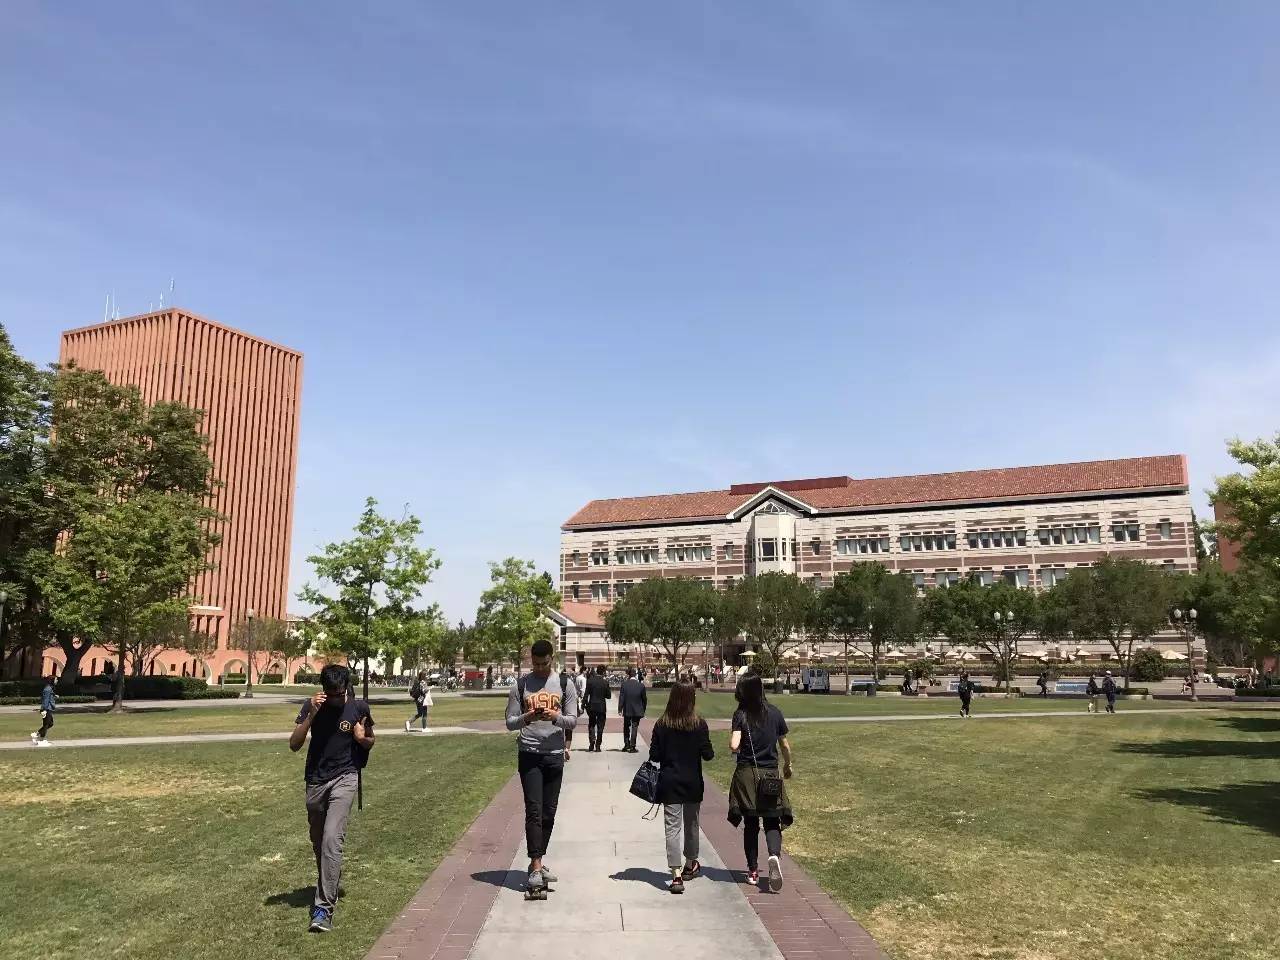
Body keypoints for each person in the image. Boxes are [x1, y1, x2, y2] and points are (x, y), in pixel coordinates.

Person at [290, 664, 375, 934]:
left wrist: (361, 739)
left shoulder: (358, 708)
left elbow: (370, 741)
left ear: (346, 688)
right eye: (330, 694)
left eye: (339, 694)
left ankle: (323, 909)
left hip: (345, 777)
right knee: (319, 840)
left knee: (331, 839)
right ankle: (330, 876)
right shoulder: (312, 705)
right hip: (316, 780)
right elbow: (294, 744)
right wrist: (311, 715)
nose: (335, 700)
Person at [505, 638, 579, 898]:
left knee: (549, 812)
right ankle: (536, 866)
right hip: (530, 754)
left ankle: (538, 861)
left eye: (544, 664)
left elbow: (573, 721)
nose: (539, 668)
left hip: (555, 755)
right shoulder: (521, 685)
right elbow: (510, 722)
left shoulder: (565, 684)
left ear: (552, 659)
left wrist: (554, 717)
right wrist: (528, 716)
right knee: (534, 810)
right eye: (535, 664)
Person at [728, 674, 793, 891]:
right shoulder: (775, 713)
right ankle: (773, 855)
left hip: (747, 774)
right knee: (772, 819)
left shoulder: (741, 714)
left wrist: (737, 742)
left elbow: (734, 745)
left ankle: (753, 871)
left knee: (751, 823)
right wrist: (788, 765)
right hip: (770, 774)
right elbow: (784, 745)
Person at [649, 681, 714, 894]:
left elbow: (654, 755)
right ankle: (690, 863)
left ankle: (676, 874)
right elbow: (708, 755)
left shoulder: (662, 724)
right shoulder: (699, 724)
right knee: (692, 824)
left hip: (670, 781)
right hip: (692, 781)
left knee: (672, 828)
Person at [582, 664, 611, 752]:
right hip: (601, 706)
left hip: (592, 706)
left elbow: (586, 695)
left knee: (591, 725)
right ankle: (598, 745)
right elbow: (608, 696)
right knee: (600, 727)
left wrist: (583, 705)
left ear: (596, 671)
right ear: (603, 672)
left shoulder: (590, 681)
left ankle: (592, 742)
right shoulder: (605, 682)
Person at [618, 667, 648, 753]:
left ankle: (626, 744)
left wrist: (620, 709)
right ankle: (632, 746)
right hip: (637, 710)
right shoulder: (641, 685)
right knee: (634, 727)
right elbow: (644, 700)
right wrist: (643, 709)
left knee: (626, 727)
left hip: (627, 709)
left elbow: (621, 698)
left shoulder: (624, 684)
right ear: (635, 675)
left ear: (628, 675)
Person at [30, 675, 57, 746]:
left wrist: (54, 696)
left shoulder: (50, 688)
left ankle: (36, 734)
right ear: (52, 680)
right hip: (47, 709)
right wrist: (44, 709)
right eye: (56, 679)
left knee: (50, 724)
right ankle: (40, 739)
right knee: (46, 724)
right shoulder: (48, 689)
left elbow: (48, 697)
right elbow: (45, 700)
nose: (57, 681)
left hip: (49, 708)